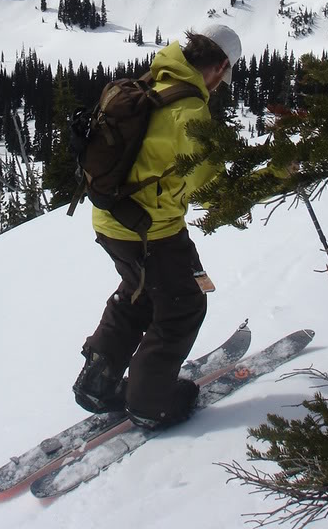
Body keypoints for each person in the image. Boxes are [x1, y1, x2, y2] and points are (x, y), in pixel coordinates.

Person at [73, 23, 243, 429]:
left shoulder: (150, 83)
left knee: (138, 293)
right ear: (219, 67)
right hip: (155, 232)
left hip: (110, 220)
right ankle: (150, 404)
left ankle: (97, 384)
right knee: (182, 307)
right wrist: (277, 170)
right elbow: (213, 184)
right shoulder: (189, 113)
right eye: (225, 76)